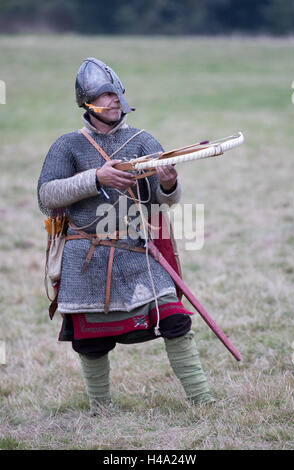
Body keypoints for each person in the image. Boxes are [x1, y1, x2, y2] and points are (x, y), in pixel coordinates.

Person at [37, 58, 215, 415]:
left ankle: (203, 401)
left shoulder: (142, 141)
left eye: (116, 94)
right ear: (87, 105)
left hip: (138, 255)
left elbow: (165, 200)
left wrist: (168, 183)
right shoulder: (68, 145)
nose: (113, 102)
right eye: (104, 97)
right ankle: (101, 408)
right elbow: (46, 197)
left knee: (175, 320)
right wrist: (96, 178)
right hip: (86, 257)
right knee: (91, 342)